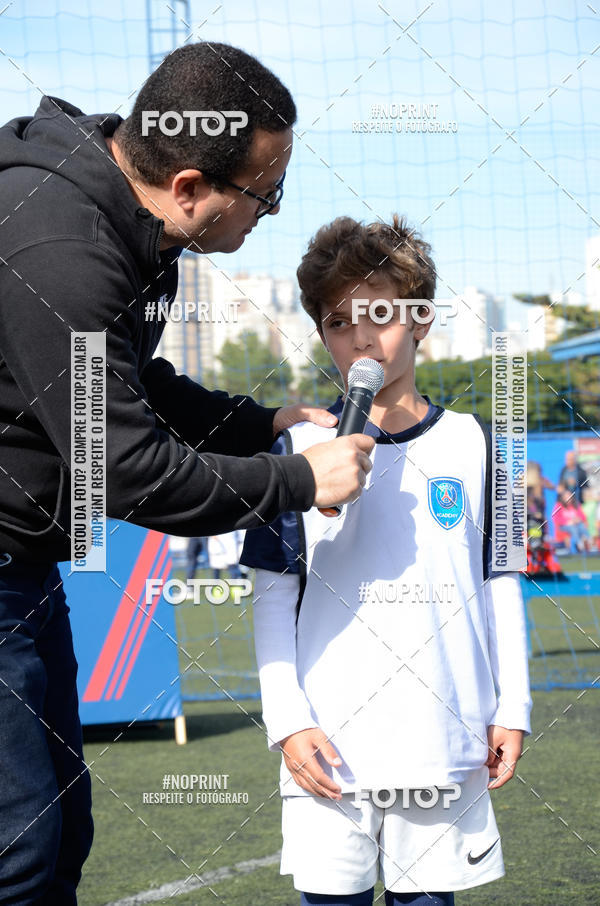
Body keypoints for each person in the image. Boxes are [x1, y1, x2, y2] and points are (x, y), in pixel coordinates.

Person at [0, 43, 374, 904]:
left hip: (22, 563)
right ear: (190, 186)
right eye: (265, 192)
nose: (271, 213)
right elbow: (124, 471)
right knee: (18, 851)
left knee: (57, 835)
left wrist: (262, 422)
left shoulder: (122, 219)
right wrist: (297, 482)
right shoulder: (63, 243)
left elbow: (130, 381)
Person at [241, 215, 532, 906]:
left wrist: (512, 705)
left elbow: (503, 581)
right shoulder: (292, 453)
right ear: (321, 334)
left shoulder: (482, 444)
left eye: (380, 313)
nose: (362, 336)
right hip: (329, 748)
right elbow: (273, 595)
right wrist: (288, 721)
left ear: (421, 319)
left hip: (442, 738)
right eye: (340, 321)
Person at [552, 489, 590, 554]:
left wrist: (578, 519)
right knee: (573, 528)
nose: (568, 498)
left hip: (577, 525)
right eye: (566, 497)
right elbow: (555, 518)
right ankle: (579, 544)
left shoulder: (576, 505)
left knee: (581, 526)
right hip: (564, 526)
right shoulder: (558, 505)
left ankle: (588, 540)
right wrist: (567, 522)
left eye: (569, 496)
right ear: (562, 498)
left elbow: (582, 516)